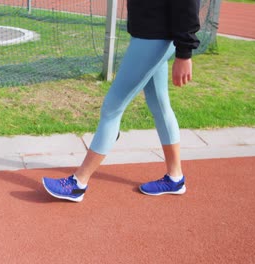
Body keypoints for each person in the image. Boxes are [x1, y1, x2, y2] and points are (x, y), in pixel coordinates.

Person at [42, 0, 201, 202]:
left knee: (112, 109)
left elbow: (187, 4)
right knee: (160, 105)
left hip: (154, 39)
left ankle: (78, 183)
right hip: (150, 36)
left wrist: (185, 54)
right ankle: (175, 177)